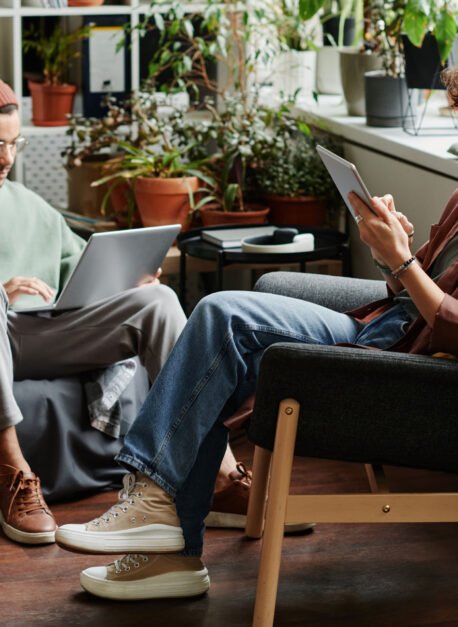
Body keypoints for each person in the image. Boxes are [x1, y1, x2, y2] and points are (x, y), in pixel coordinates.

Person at [55, 68, 458, 600]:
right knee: (223, 345)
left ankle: (157, 509)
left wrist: (402, 260)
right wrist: (394, 255)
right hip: (384, 328)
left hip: (411, 372)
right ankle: (172, 552)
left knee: (227, 316)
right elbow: (415, 288)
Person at [0, 80, 258, 547]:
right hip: (4, 333)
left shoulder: (28, 205)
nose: (7, 159)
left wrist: (127, 278)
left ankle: (218, 477)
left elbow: (81, 266)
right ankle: (12, 471)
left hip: (42, 335)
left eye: (14, 144)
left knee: (157, 302)